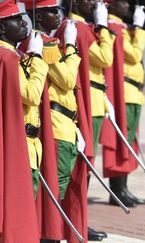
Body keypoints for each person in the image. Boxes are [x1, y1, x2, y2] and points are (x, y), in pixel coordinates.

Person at [20, 0, 81, 242]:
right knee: (56, 187)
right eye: (51, 11)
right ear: (39, 16)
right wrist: (72, 46)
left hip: (66, 124)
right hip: (56, 125)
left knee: (59, 185)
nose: (59, 15)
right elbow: (67, 79)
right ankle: (49, 235)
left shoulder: (47, 43)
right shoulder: (44, 46)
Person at [56, 0, 115, 240]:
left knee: (85, 169)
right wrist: (103, 26)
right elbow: (104, 58)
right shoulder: (78, 28)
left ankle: (78, 222)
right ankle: (73, 223)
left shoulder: (82, 27)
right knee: (81, 169)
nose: (95, 3)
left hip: (95, 101)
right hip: (86, 104)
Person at [101, 0, 145, 207]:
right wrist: (138, 28)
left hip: (133, 93)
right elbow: (134, 54)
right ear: (110, 6)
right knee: (124, 141)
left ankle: (123, 188)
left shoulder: (120, 27)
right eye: (122, 2)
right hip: (125, 93)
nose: (127, 6)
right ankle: (117, 190)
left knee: (129, 140)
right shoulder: (113, 27)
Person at [0, 0, 40, 241]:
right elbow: (31, 95)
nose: (24, 23)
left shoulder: (11, 55)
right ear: (2, 28)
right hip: (18, 143)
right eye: (16, 20)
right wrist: (36, 57)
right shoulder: (8, 58)